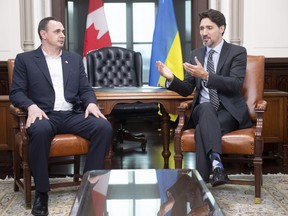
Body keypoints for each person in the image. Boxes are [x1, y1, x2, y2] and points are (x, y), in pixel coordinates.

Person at [9, 17, 113, 216]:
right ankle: (42, 193)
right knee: (38, 131)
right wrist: (30, 106)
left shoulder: (73, 59)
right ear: (43, 34)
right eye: (57, 31)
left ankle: (89, 186)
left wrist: (90, 102)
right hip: (44, 115)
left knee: (103, 127)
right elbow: (17, 92)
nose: (62, 35)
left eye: (63, 31)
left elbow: (85, 88)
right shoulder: (26, 60)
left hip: (72, 114)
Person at [156, 9, 252, 187]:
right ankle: (216, 166)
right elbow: (186, 89)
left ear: (221, 29)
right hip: (202, 109)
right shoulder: (196, 54)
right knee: (206, 108)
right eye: (201, 28)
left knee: (203, 130)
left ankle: (200, 183)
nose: (204, 33)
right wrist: (171, 78)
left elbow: (235, 84)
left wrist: (206, 75)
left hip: (228, 111)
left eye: (209, 28)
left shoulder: (237, 52)